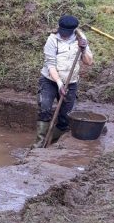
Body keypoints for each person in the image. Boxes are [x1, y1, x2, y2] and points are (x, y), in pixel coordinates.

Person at [35, 14, 93, 147]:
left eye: (67, 33)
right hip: (50, 80)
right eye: (62, 32)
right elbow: (50, 65)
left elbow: (89, 62)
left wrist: (83, 50)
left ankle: (53, 140)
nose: (64, 35)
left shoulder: (81, 39)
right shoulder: (52, 39)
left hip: (71, 82)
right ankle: (39, 143)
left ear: (73, 30)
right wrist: (59, 83)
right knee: (44, 108)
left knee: (66, 116)